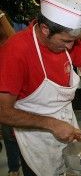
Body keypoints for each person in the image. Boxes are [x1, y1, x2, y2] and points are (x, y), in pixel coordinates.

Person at [0, 0, 81, 176]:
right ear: (45, 29)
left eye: (74, 40)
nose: (71, 46)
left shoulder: (69, 41)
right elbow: (2, 111)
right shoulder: (15, 52)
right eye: (66, 40)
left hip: (66, 122)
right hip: (35, 136)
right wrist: (51, 124)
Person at [0, 9, 22, 176]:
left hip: (14, 94)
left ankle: (16, 167)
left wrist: (1, 16)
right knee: (8, 134)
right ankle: (14, 167)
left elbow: (14, 37)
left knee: (13, 132)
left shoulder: (10, 44)